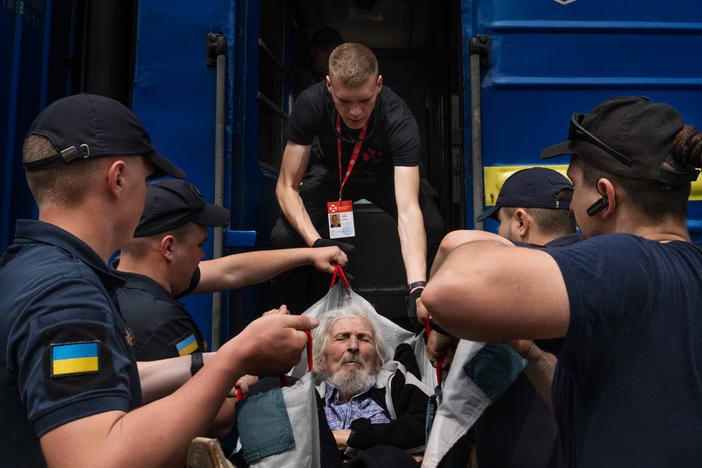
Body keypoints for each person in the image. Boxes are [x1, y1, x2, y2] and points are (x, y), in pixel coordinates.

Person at [0, 93, 317, 467]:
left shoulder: (29, 267)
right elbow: (95, 459)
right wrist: (238, 356)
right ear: (118, 178)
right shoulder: (66, 295)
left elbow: (113, 377)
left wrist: (215, 360)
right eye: (146, 179)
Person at [421, 96, 702, 466]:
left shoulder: (617, 264)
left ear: (605, 196)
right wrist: (527, 348)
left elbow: (447, 288)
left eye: (575, 188)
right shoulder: (685, 270)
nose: (570, 208)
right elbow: (603, 411)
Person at [270, 42, 443, 319]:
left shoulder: (398, 118)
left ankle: (426, 311)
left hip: (384, 175)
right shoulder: (311, 103)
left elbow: (409, 208)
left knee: (433, 225)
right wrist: (316, 244)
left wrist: (417, 286)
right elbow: (287, 186)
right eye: (344, 101)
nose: (355, 112)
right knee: (282, 237)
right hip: (331, 173)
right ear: (329, 86)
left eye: (364, 100)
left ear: (378, 84)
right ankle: (290, 322)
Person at [431, 167, 579, 468]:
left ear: (521, 222)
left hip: (523, 444)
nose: (497, 234)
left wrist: (439, 326)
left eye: (500, 223)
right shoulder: (595, 265)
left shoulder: (511, 272)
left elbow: (451, 243)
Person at [115, 178, 347, 361]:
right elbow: (209, 413)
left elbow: (232, 270)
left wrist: (310, 254)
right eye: (199, 245)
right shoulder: (162, 325)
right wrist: (254, 350)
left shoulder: (126, 282)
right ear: (168, 247)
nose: (203, 256)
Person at [312, 305, 431, 455]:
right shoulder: (308, 400)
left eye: (363, 339)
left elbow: (430, 425)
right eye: (342, 338)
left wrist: (352, 437)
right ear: (321, 360)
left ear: (378, 361)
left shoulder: (396, 383)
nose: (353, 346)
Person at [293, 26, 344, 97]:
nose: (330, 57)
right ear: (312, 50)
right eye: (324, 50)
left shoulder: (336, 83)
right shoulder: (304, 78)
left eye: (335, 53)